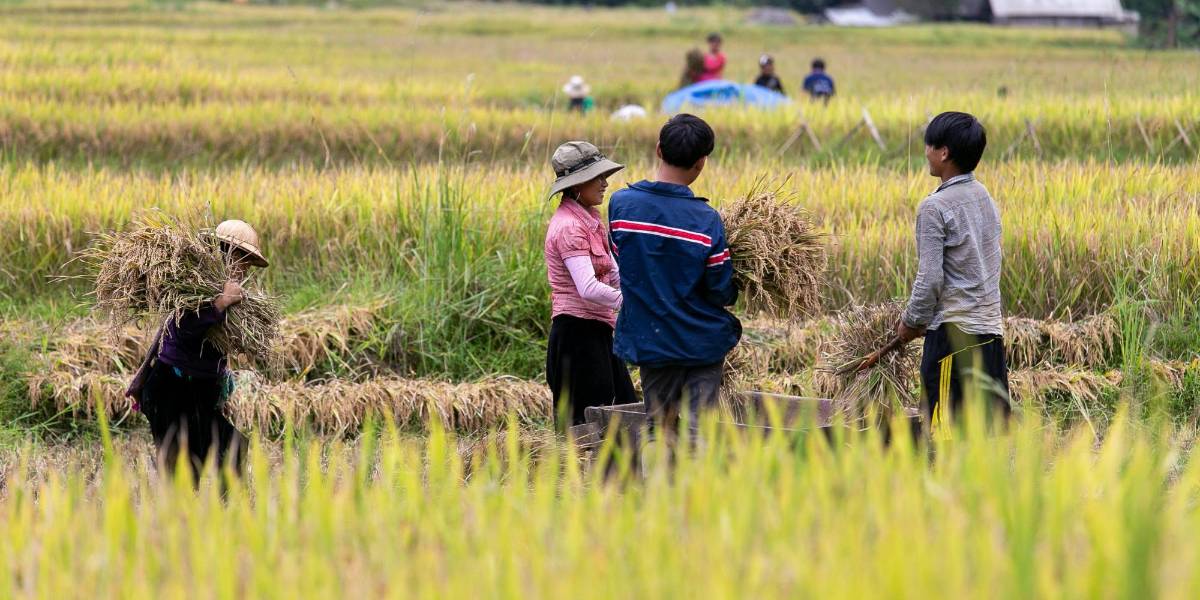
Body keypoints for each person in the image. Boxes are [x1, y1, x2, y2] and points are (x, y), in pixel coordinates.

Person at [608, 114, 740, 442]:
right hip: (700, 341)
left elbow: (622, 260)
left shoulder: (620, 206)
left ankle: (657, 474)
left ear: (658, 149)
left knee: (658, 428)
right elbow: (720, 288)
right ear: (701, 162)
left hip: (650, 338)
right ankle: (698, 476)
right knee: (699, 432)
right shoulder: (706, 220)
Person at [125, 220, 269, 482]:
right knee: (184, 473)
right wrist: (221, 303)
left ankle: (229, 507)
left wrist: (222, 380)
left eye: (248, 263)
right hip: (172, 389)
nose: (245, 269)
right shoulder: (195, 285)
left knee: (233, 449)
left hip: (199, 391)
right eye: (242, 260)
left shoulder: (226, 291)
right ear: (223, 254)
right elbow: (180, 327)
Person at [895, 112, 1010, 435]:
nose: (926, 152)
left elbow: (930, 279)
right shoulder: (985, 197)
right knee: (987, 438)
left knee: (943, 438)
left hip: (952, 340)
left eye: (929, 146)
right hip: (990, 337)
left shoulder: (934, 207)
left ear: (943, 152)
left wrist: (911, 322)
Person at [544, 141, 637, 430]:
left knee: (624, 414)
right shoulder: (570, 227)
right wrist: (633, 303)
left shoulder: (590, 219)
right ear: (576, 185)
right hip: (577, 337)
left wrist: (637, 293)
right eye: (598, 177)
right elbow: (587, 288)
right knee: (590, 429)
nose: (605, 183)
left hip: (598, 331)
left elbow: (614, 273)